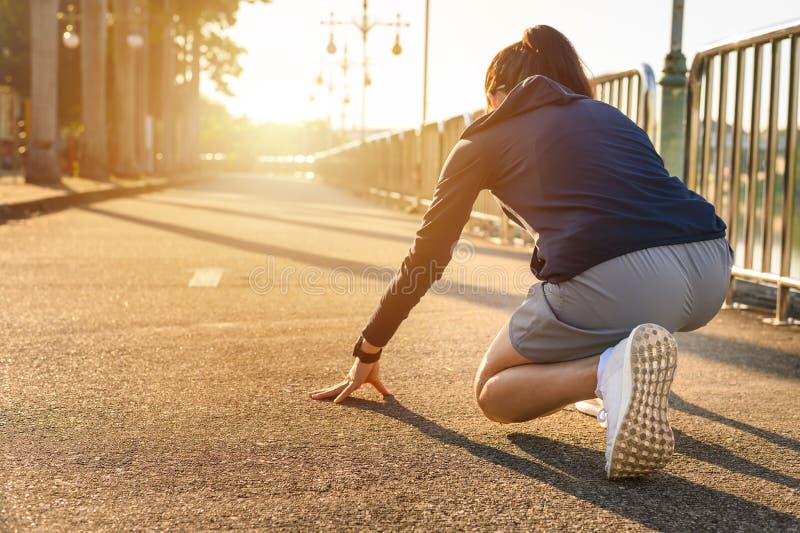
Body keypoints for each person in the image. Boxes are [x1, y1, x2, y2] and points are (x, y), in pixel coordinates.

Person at [309, 25, 732, 479]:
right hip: (712, 268)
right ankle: (617, 378)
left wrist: (368, 349)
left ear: (495, 96)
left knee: (494, 392)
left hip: (628, 283)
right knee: (601, 312)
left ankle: (609, 370)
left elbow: (428, 255)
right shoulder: (608, 114)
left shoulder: (484, 138)